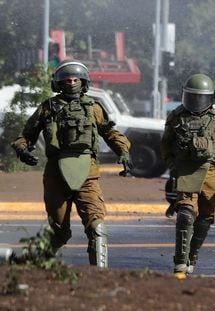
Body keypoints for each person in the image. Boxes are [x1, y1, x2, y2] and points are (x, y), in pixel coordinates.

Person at [12, 59, 132, 267]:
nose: (71, 83)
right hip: (56, 174)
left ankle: (99, 275)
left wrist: (123, 150)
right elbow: (25, 136)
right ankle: (30, 266)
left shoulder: (93, 107)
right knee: (58, 231)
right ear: (59, 83)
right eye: (67, 80)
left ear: (83, 82)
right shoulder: (47, 108)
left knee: (97, 227)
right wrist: (22, 150)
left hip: (88, 174)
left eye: (76, 79)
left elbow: (110, 132)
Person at [160, 73, 215, 276]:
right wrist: (173, 166)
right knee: (185, 214)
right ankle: (180, 262)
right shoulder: (177, 116)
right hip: (186, 171)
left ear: (210, 98)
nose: (196, 102)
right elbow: (165, 144)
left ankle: (192, 255)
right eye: (192, 97)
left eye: (200, 98)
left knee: (205, 218)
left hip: (211, 175)